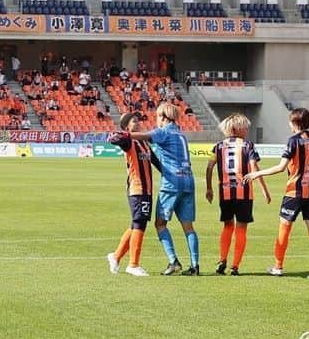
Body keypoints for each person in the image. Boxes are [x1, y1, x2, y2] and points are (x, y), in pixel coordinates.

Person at [244, 108, 309, 279]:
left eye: (290, 121)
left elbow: (281, 167)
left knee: (284, 226)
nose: (289, 124)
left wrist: (257, 173)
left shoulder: (293, 140)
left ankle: (278, 266)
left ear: (296, 123)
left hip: (294, 191)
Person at [129, 102, 200, 275]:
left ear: (163, 116)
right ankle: (195, 265)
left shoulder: (164, 132)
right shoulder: (181, 134)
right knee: (188, 227)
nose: (156, 120)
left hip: (172, 183)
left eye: (157, 116)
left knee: (160, 223)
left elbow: (142, 136)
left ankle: (173, 261)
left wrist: (124, 134)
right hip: (188, 180)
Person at [205, 113, 271, 276]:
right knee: (241, 228)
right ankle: (235, 265)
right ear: (237, 128)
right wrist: (264, 189)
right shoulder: (248, 145)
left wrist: (209, 188)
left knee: (227, 226)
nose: (247, 130)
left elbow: (209, 167)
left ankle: (222, 259)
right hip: (244, 193)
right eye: (245, 127)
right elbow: (254, 168)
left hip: (225, 193)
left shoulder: (218, 146)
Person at [106, 114, 162, 277]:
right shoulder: (129, 141)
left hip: (147, 189)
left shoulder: (143, 141)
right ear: (127, 126)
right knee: (140, 223)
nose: (138, 123)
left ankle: (115, 256)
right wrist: (121, 135)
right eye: (134, 121)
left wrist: (168, 173)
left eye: (138, 120)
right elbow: (115, 140)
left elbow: (155, 161)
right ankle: (133, 264)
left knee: (136, 224)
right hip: (137, 188)